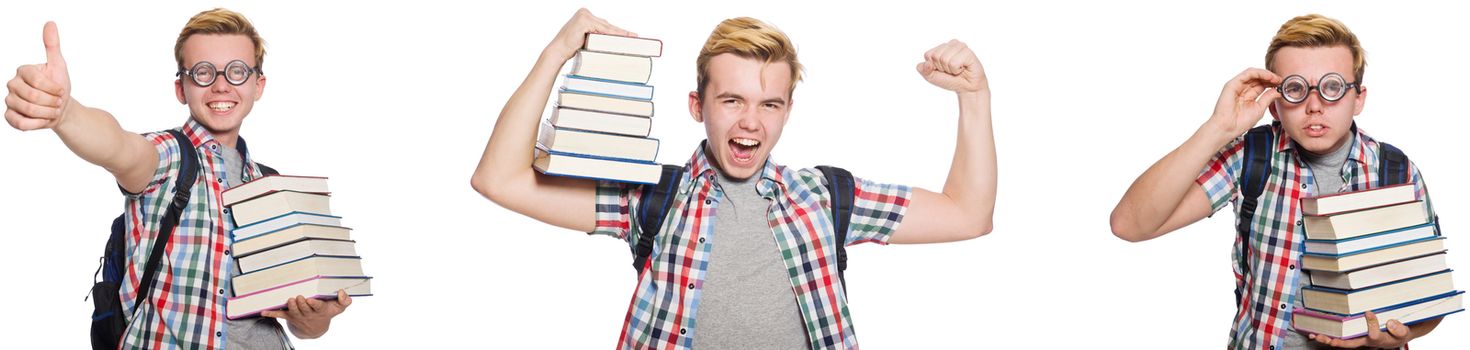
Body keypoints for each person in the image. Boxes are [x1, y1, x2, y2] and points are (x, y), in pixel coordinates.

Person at [472, 8, 997, 349]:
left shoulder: (825, 197)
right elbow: (500, 179)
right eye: (732, 100)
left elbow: (968, 215)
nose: (751, 122)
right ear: (698, 106)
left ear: (788, 110)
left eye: (769, 104)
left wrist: (974, 98)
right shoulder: (652, 197)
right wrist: (556, 52)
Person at [4, 8, 350, 349]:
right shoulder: (169, 156)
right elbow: (118, 146)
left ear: (257, 85)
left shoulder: (270, 184)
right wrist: (66, 113)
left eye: (237, 71)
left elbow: (300, 322)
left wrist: (314, 320)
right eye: (202, 72)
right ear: (181, 88)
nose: (220, 85)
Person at [1109, 14, 1443, 349]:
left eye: (1332, 87)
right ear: (1275, 102)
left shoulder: (1396, 172)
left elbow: (1431, 296)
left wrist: (1397, 338)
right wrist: (1219, 128)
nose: (1314, 106)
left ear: (1358, 98)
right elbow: (1130, 225)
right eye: (1296, 88)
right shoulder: (1251, 157)